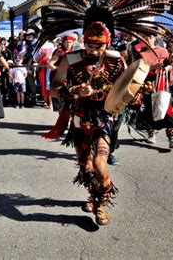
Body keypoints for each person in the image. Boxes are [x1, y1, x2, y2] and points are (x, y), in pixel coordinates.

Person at [50, 22, 125, 225]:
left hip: (102, 119)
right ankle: (93, 196)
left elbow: (126, 89)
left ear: (107, 43)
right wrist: (74, 91)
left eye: (98, 46)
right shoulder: (71, 59)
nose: (93, 50)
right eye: (90, 45)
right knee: (86, 168)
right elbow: (54, 88)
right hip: (79, 119)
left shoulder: (117, 61)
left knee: (101, 166)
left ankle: (100, 204)